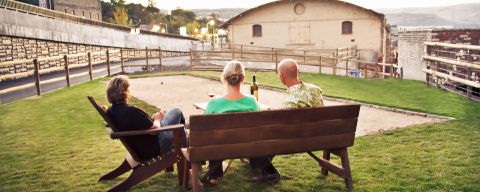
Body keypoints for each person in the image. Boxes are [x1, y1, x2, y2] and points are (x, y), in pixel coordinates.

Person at [204, 60, 281, 185]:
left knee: (215, 137)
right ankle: (264, 167)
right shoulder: (252, 101)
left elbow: (206, 130)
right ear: (243, 78)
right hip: (248, 148)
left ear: (224, 78)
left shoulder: (214, 103)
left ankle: (213, 176)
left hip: (220, 148)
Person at [105, 75, 187, 160]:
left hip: (143, 146)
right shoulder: (131, 111)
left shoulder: (112, 111)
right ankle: (187, 159)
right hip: (155, 145)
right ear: (124, 91)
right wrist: (157, 119)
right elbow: (155, 131)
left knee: (174, 112)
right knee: (179, 122)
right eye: (128, 88)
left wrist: (153, 119)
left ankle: (186, 134)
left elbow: (137, 124)